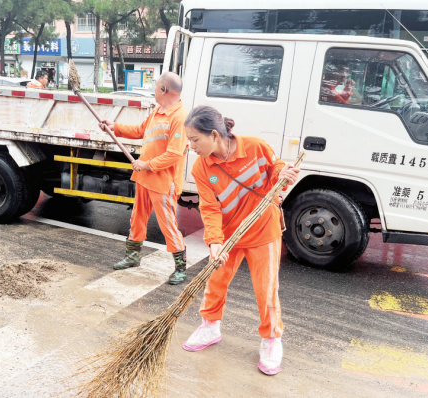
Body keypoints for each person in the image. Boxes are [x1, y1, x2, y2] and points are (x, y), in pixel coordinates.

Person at [181, 106, 300, 376]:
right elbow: (209, 207)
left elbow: (276, 168)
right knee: (215, 281)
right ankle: (210, 327)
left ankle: (271, 340)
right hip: (228, 234)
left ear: (213, 135)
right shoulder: (202, 168)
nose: (191, 146)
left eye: (194, 140)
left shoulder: (255, 147)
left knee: (266, 289)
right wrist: (214, 242)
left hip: (263, 231)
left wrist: (285, 174)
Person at [98, 72, 189, 285]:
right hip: (144, 178)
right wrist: (115, 127)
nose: (154, 89)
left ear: (164, 90)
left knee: (168, 224)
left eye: (156, 86)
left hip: (164, 181)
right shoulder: (158, 111)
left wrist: (146, 165)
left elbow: (174, 154)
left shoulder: (179, 117)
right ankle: (133, 256)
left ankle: (180, 267)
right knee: (137, 218)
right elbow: (141, 130)